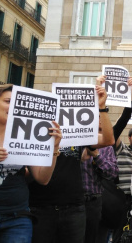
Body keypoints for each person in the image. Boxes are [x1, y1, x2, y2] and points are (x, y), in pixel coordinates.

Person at [29, 84, 115, 243]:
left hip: (74, 208)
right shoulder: (37, 131)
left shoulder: (77, 132)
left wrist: (102, 107)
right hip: (41, 207)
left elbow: (109, 140)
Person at [0, 84, 62, 242]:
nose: (13, 106)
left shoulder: (25, 134)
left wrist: (54, 147)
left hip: (17, 218)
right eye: (8, 101)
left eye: (16, 102)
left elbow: (42, 178)